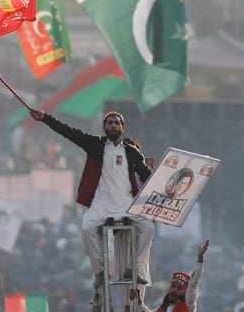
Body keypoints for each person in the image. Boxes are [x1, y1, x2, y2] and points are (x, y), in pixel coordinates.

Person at [28, 108, 154, 289]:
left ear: (123, 127)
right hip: (101, 205)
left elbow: (147, 175)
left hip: (126, 205)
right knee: (87, 228)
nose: (113, 125)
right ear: (104, 127)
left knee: (148, 227)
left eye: (116, 122)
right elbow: (69, 132)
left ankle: (134, 267)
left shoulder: (132, 152)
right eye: (109, 123)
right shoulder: (95, 145)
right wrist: (46, 118)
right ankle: (100, 272)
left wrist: (166, 184)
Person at [131, 240, 209, 312]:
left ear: (186, 293)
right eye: (173, 286)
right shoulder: (165, 307)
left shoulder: (188, 303)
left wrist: (200, 260)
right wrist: (139, 301)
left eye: (179, 288)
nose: (174, 290)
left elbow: (194, 284)